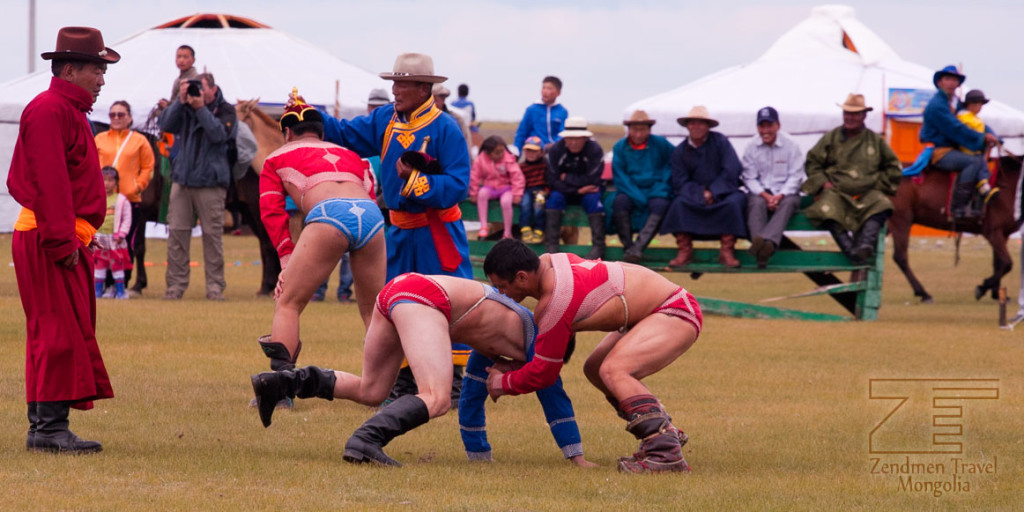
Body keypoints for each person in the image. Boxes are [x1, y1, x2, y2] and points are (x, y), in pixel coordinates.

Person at [250, 273, 594, 468]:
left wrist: (480, 457)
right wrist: (577, 459)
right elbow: (551, 391)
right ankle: (365, 441)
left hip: (400, 290)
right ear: (555, 352)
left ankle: (280, 383)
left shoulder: (496, 342)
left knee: (373, 389)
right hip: (425, 298)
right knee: (437, 397)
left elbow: (473, 396)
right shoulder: (538, 343)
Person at [300, 52, 474, 405]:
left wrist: (417, 184)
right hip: (397, 233)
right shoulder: (385, 119)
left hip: (435, 234)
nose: (394, 90)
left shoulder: (446, 128)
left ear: (424, 88)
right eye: (393, 82)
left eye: (402, 83)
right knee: (397, 305)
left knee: (444, 302)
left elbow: (458, 183)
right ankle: (402, 381)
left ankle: (454, 384)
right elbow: (347, 134)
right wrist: (312, 116)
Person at [482, 239, 702, 473]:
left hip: (675, 310)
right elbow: (549, 353)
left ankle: (665, 452)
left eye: (502, 286)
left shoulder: (555, 303)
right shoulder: (550, 261)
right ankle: (664, 432)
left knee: (614, 369)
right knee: (595, 368)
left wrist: (501, 383)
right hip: (654, 310)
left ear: (523, 277)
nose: (501, 293)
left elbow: (544, 374)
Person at [9, 26, 120, 453]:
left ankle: (45, 428)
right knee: (57, 330)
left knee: (56, 329)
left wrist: (74, 235)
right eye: (97, 69)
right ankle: (50, 429)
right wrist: (61, 242)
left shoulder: (64, 110)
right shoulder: (49, 110)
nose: (102, 79)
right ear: (70, 69)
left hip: (56, 233)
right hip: (49, 236)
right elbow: (51, 184)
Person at [256, 100, 386, 376]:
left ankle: (279, 389)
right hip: (371, 216)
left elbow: (272, 212)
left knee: (288, 303)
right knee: (372, 311)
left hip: (329, 214)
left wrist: (286, 260)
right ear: (321, 131)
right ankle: (386, 389)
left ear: (287, 133)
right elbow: (370, 194)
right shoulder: (354, 156)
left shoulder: (277, 156)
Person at [158, 72, 236, 300]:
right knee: (176, 235)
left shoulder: (226, 110)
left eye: (200, 88)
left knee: (212, 236)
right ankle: (175, 286)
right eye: (193, 88)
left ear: (212, 89)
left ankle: (214, 287)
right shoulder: (185, 106)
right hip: (182, 179)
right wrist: (179, 102)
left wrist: (201, 108)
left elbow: (219, 135)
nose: (196, 93)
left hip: (211, 182)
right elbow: (165, 125)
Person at [802, 94, 901, 265]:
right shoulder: (831, 138)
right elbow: (812, 162)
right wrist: (823, 182)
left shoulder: (875, 140)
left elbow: (894, 167)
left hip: (868, 192)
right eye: (847, 113)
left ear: (864, 115)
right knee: (826, 209)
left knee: (882, 205)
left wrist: (876, 183)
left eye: (855, 114)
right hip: (836, 191)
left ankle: (864, 245)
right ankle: (851, 252)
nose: (850, 117)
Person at [660, 106, 746, 268]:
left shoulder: (721, 142)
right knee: (678, 204)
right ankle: (685, 251)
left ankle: (727, 250)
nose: (696, 127)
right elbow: (679, 181)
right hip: (694, 197)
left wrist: (713, 191)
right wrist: (701, 194)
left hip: (722, 195)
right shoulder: (680, 151)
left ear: (707, 126)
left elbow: (732, 170)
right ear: (687, 126)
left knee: (736, 201)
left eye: (700, 123)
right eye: (692, 123)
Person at [919, 65, 999, 218]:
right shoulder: (937, 106)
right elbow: (955, 129)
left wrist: (991, 134)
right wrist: (982, 139)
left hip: (954, 150)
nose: (951, 83)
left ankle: (978, 202)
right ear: (940, 82)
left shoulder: (954, 103)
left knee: (978, 160)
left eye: (954, 80)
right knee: (973, 162)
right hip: (940, 151)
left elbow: (974, 121)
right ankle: (959, 206)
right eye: (948, 79)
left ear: (958, 84)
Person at [94, 100, 155, 293]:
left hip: (128, 199)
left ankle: (120, 283)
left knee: (124, 243)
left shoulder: (139, 140)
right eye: (113, 115)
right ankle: (101, 282)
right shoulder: (100, 139)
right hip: (103, 199)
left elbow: (148, 165)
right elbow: (91, 164)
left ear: (129, 118)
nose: (117, 118)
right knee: (100, 241)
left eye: (121, 114)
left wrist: (138, 185)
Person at [740, 106, 806, 268]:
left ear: (778, 125)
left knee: (789, 203)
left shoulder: (792, 145)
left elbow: (796, 176)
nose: (765, 130)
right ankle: (762, 243)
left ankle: (765, 242)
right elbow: (749, 178)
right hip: (762, 193)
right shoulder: (751, 146)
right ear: (757, 127)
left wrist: (779, 196)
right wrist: (766, 196)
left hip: (786, 193)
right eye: (762, 126)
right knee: (755, 203)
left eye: (769, 125)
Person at [610, 110, 674, 263]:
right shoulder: (620, 147)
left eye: (642, 130)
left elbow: (671, 166)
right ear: (629, 130)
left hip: (656, 189)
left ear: (649, 130)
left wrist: (659, 188)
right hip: (630, 189)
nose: (638, 134)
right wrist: (638, 196)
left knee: (660, 204)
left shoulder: (661, 144)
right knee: (619, 202)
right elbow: (620, 175)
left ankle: (638, 248)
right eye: (634, 129)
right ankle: (628, 246)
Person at [544, 117, 606, 259]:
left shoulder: (595, 150)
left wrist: (567, 178)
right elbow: (552, 180)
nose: (573, 142)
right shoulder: (556, 150)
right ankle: (551, 246)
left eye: (577, 138)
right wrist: (577, 190)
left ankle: (598, 247)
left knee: (594, 201)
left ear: (585, 138)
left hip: (589, 191)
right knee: (554, 199)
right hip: (565, 191)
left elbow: (593, 180)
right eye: (569, 138)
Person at [470, 135, 525, 240]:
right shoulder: (480, 160)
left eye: (502, 151)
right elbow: (474, 176)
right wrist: (474, 193)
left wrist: (517, 194)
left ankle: (507, 232)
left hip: (506, 188)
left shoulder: (508, 158)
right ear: (488, 152)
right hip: (489, 187)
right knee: (482, 194)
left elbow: (517, 177)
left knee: (506, 201)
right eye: (497, 152)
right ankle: (483, 226)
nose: (500, 155)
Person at [92, 167, 132, 299]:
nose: (107, 183)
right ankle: (97, 291)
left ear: (116, 183)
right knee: (99, 265)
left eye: (110, 180)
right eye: (104, 180)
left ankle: (120, 291)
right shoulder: (96, 198)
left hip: (115, 240)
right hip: (100, 239)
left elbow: (127, 219)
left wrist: (121, 234)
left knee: (117, 265)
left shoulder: (121, 200)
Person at [513, 76, 568, 153]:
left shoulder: (562, 111)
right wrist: (516, 153)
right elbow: (522, 133)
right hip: (536, 149)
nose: (545, 91)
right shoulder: (532, 110)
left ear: (558, 92)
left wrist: (555, 144)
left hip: (555, 149)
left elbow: (563, 132)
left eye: (549, 88)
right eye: (543, 88)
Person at [518, 136, 548, 244]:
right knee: (525, 204)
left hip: (541, 190)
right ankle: (525, 228)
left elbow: (549, 180)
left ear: (541, 152)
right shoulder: (522, 167)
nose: (531, 154)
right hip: (526, 190)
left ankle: (539, 229)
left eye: (534, 151)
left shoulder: (545, 165)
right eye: (528, 151)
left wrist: (546, 191)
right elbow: (518, 182)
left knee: (539, 205)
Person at [433, 83, 473, 157]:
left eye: (443, 97)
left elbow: (466, 142)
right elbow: (473, 116)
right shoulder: (470, 103)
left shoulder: (456, 118)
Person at [157, 45, 197, 111]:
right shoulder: (178, 80)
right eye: (179, 57)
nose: (181, 60)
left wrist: (167, 107)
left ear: (193, 60)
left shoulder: (194, 80)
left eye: (185, 57)